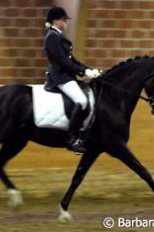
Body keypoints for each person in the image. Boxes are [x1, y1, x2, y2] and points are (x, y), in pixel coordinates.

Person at [44, 6, 101, 154]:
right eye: (64, 20)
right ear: (56, 21)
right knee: (81, 101)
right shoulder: (52, 37)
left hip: (67, 76)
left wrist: (89, 69)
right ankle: (72, 138)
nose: (66, 23)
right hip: (60, 77)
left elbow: (72, 60)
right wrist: (83, 71)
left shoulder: (58, 36)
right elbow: (63, 62)